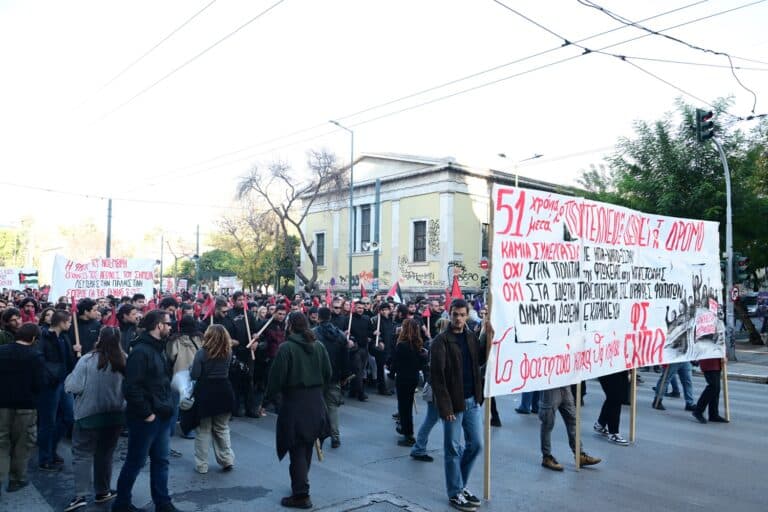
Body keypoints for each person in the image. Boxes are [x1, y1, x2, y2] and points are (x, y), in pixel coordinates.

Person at [112, 310, 180, 512]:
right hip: (146, 418)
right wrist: (146, 413)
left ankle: (163, 503)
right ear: (158, 326)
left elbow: (160, 381)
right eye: (168, 324)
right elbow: (131, 387)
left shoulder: (158, 348)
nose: (170, 327)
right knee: (135, 462)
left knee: (161, 461)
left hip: (161, 414)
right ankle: (121, 504)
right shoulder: (141, 351)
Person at [265, 312, 331, 510]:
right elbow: (328, 373)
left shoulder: (287, 348)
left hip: (295, 402)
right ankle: (301, 485)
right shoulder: (318, 346)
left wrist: (268, 398)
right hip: (315, 401)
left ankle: (301, 494)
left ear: (290, 326)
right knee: (306, 445)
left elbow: (276, 378)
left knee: (298, 449)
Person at [430, 299, 484, 512]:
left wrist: (488, 337)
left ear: (467, 315)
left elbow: (479, 361)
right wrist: (446, 408)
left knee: (476, 444)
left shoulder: (471, 336)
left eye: (462, 314)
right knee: (452, 449)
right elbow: (437, 377)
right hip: (453, 404)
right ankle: (455, 492)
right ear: (449, 314)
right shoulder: (440, 341)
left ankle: (460, 485)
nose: (458, 318)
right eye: (455, 314)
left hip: (472, 401)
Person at [64, 327, 126, 511]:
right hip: (115, 415)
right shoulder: (125, 360)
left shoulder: (87, 360)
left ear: (99, 339)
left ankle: (80, 495)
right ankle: (103, 490)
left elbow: (73, 387)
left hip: (88, 415)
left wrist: (69, 377)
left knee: (82, 455)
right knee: (105, 454)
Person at [0, 323, 45, 494]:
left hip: (2, 404)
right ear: (33, 338)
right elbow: (39, 383)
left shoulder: (1, 350)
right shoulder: (35, 356)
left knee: (1, 442)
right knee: (22, 443)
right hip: (26, 406)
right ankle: (16, 479)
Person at [190, 325, 236, 474]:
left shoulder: (201, 353)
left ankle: (202, 465)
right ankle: (226, 459)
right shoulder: (228, 352)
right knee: (222, 428)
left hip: (206, 391)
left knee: (203, 430)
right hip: (224, 390)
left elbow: (195, 375)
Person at [38, 310, 76, 471]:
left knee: (69, 416)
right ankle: (45, 458)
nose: (70, 324)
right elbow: (40, 361)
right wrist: (50, 376)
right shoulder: (43, 337)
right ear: (61, 322)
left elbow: (68, 361)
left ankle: (52, 448)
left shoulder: (64, 337)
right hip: (50, 385)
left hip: (64, 382)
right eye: (68, 322)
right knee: (48, 422)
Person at [313, 307, 352, 449]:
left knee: (317, 406)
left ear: (318, 317)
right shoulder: (341, 335)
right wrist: (345, 375)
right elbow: (345, 357)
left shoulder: (313, 334)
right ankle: (335, 436)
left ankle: (318, 434)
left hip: (317, 376)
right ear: (330, 317)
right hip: (335, 375)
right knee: (333, 407)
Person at [539, 386, 602, 471]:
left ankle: (579, 454)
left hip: (565, 385)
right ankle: (546, 457)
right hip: (551, 387)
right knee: (547, 423)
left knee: (573, 420)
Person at [392, 319, 428, 447]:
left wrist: (392, 372)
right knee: (407, 406)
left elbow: (395, 362)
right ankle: (406, 429)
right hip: (413, 377)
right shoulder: (418, 344)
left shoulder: (402, 345)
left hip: (403, 378)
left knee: (404, 407)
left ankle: (408, 434)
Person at [594, 371, 629, 445]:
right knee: (615, 397)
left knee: (620, 396)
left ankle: (601, 423)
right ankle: (613, 432)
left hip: (622, 366)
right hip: (608, 366)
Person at [692, 358, 728, 424]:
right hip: (709, 362)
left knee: (716, 389)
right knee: (713, 387)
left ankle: (713, 414)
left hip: (716, 362)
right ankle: (698, 411)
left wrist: (724, 355)